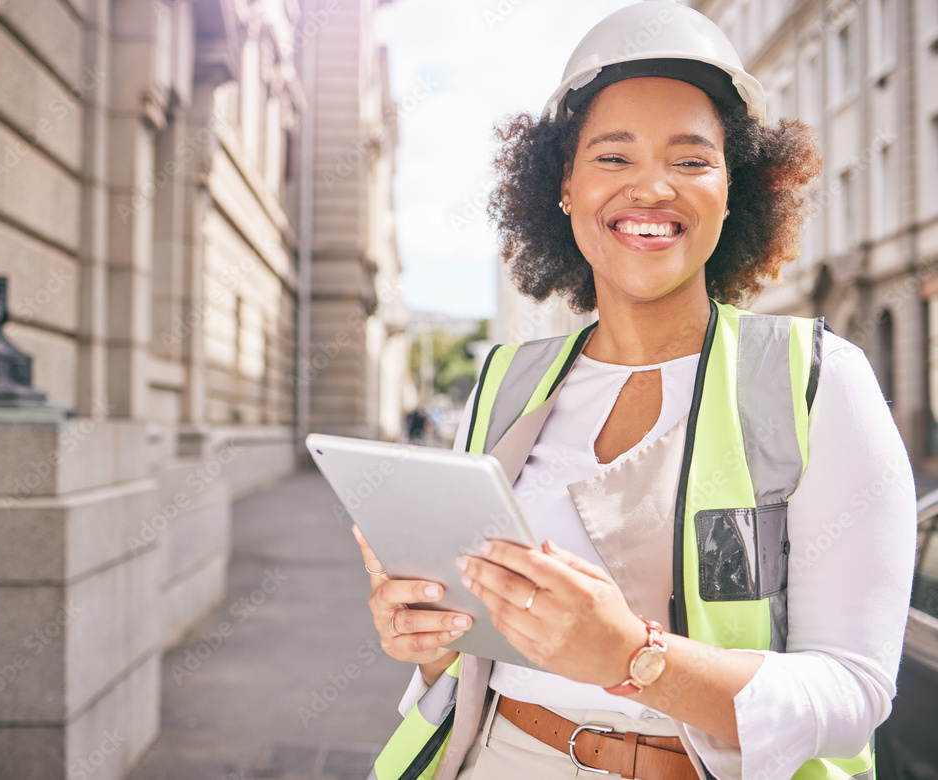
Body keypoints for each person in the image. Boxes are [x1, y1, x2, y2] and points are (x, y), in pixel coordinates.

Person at [353, 3, 918, 778]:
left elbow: (853, 691)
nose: (651, 187)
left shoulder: (818, 378)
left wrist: (634, 657)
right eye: (613, 158)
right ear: (563, 187)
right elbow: (474, 660)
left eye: (690, 160)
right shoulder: (505, 380)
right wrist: (427, 640)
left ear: (732, 190)